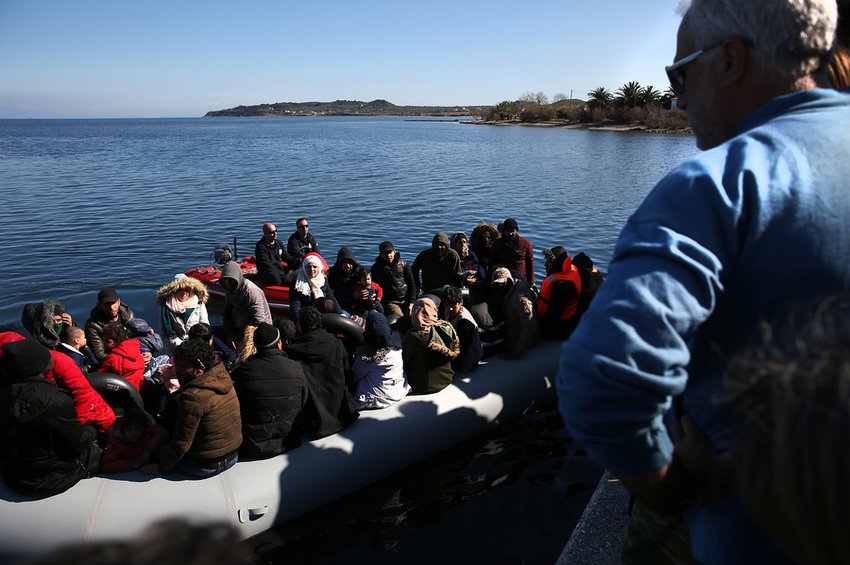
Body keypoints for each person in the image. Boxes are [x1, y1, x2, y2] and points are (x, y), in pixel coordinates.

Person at [556, 2, 847, 563]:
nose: (678, 99)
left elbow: (603, 379)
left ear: (732, 60)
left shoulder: (717, 186)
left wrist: (673, 486)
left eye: (680, 73)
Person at [0, 339, 102, 495]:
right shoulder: (56, 401)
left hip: (15, 474)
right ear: (36, 366)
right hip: (53, 479)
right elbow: (77, 444)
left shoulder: (5, 396)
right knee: (100, 447)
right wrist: (92, 428)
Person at [143, 339, 241, 478]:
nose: (177, 370)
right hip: (232, 456)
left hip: (205, 466)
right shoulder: (224, 378)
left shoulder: (192, 397)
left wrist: (162, 468)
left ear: (199, 369)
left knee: (156, 449)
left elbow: (182, 443)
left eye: (182, 366)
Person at [231, 322, 308, 458]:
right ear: (279, 344)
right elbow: (304, 399)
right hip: (290, 438)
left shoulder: (243, 372)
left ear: (256, 347)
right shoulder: (295, 367)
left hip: (255, 444)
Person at [285, 307, 359, 438]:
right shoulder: (336, 343)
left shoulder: (292, 351)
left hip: (316, 421)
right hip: (343, 414)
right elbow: (348, 372)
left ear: (301, 326)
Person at [351, 310, 409, 409]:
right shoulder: (397, 346)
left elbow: (354, 377)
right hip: (397, 392)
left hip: (377, 399)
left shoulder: (368, 357)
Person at [403, 295, 460, 394]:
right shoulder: (444, 327)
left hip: (424, 386)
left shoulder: (413, 336)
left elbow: (405, 361)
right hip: (446, 379)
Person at [219, 260, 273, 352]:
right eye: (225, 281)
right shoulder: (230, 290)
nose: (228, 284)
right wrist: (229, 334)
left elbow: (258, 320)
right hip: (239, 326)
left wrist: (242, 338)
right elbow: (226, 313)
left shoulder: (251, 292)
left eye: (231, 281)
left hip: (257, 331)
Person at [489, 268, 539, 359]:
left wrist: (516, 353)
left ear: (509, 281)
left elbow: (529, 326)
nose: (499, 287)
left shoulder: (520, 299)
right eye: (496, 284)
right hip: (513, 334)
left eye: (501, 284)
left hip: (522, 343)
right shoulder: (507, 292)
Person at [101, 407, 169, 473]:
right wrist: (131, 464)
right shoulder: (116, 441)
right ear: (123, 431)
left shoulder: (148, 430)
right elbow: (107, 465)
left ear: (143, 428)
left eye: (137, 429)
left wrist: (147, 450)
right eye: (129, 430)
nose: (133, 433)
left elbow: (163, 433)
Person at [537, 246, 582, 339]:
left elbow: (554, 315)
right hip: (567, 320)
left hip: (560, 326)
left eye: (548, 262)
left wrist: (538, 326)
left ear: (556, 264)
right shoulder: (571, 269)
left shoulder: (562, 285)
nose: (545, 264)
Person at [156, 273, 210, 348]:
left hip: (197, 342)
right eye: (180, 290)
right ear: (174, 291)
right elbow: (167, 330)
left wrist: (198, 342)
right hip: (176, 345)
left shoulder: (199, 304)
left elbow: (204, 324)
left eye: (187, 289)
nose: (184, 293)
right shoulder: (167, 306)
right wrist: (182, 345)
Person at [289, 253, 343, 325]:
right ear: (304, 268)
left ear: (319, 268)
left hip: (321, 315)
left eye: (314, 267)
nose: (312, 269)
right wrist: (298, 324)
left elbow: (331, 297)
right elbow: (295, 306)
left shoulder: (323, 280)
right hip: (305, 317)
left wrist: (340, 314)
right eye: (309, 267)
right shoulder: (298, 283)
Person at [84, 288, 135, 362]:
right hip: (113, 358)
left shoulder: (128, 315)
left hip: (131, 352)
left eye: (113, 303)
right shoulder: (93, 326)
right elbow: (100, 354)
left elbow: (137, 337)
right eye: (107, 305)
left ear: (118, 302)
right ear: (100, 306)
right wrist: (122, 361)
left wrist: (145, 351)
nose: (111, 308)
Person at [370, 241, 417, 318]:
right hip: (390, 302)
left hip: (406, 299)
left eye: (390, 252)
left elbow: (411, 284)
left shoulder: (403, 263)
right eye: (385, 253)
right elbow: (374, 286)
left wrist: (411, 303)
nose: (388, 256)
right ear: (381, 254)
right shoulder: (376, 268)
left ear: (394, 252)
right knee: (399, 317)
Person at [442, 286, 483, 372]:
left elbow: (464, 349)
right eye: (447, 305)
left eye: (453, 305)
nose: (450, 309)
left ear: (461, 302)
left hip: (468, 357)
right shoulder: (448, 310)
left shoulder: (464, 321)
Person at [98, 321, 146, 391]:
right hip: (139, 391)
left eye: (108, 341)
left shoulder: (113, 359)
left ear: (117, 341)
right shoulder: (136, 351)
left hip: (122, 394)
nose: (104, 344)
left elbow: (100, 377)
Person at [489, 218, 534, 286]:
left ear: (516, 230)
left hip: (520, 280)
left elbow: (530, 263)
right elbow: (492, 262)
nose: (510, 233)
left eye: (512, 231)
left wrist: (531, 282)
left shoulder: (525, 243)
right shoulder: (496, 244)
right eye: (507, 231)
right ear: (504, 231)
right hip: (502, 280)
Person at [255, 222, 294, 286]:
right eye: (271, 232)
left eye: (276, 231)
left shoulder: (278, 243)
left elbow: (286, 257)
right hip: (267, 272)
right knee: (276, 277)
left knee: (296, 269)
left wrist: (298, 261)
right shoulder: (261, 246)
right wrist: (281, 275)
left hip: (279, 269)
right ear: (265, 234)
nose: (275, 233)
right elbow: (266, 264)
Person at [327, 246, 360, 313]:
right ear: (340, 263)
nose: (347, 265)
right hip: (340, 307)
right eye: (345, 262)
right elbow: (331, 296)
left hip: (359, 305)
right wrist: (352, 296)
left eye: (350, 263)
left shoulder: (359, 272)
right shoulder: (332, 274)